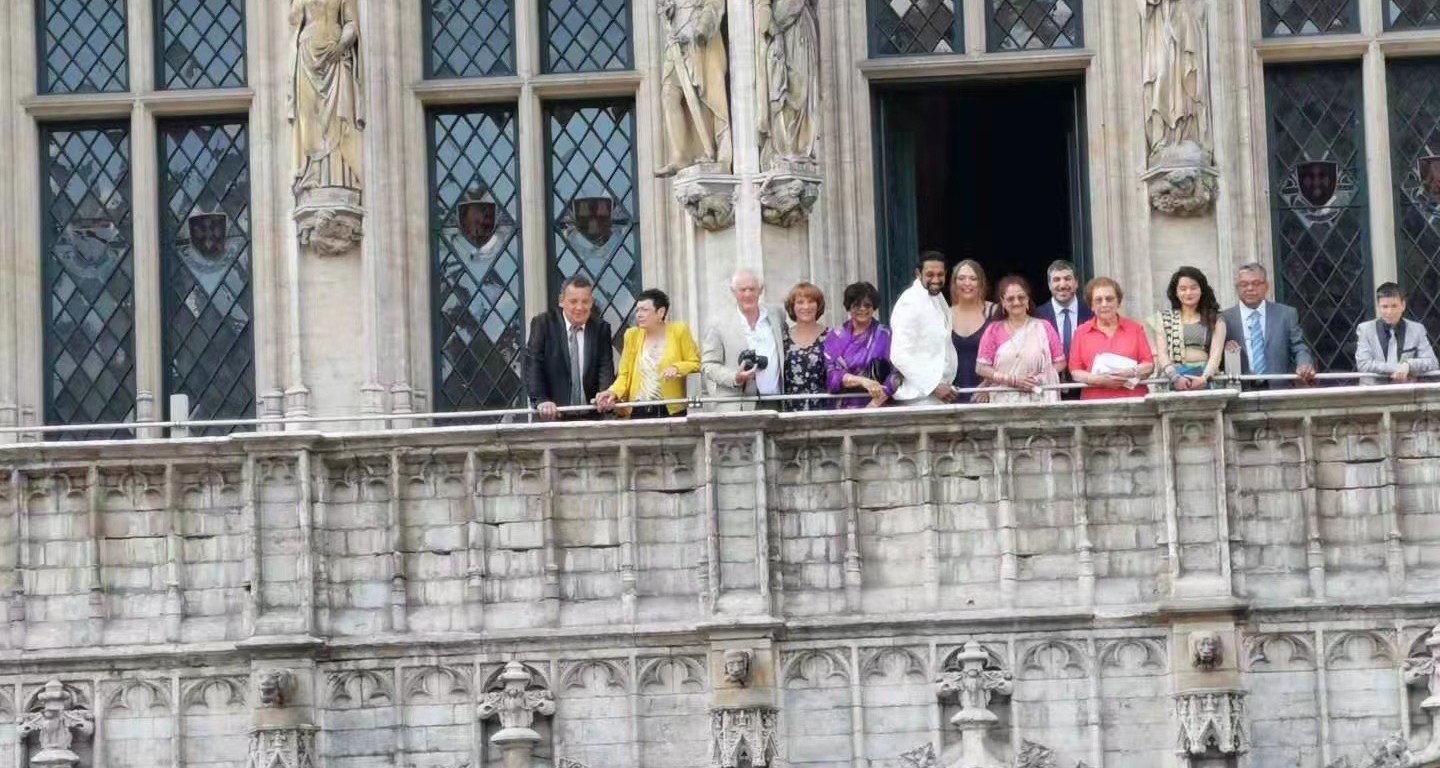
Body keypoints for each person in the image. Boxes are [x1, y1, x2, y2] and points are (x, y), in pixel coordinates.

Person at [596, 289, 701, 418]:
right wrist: (613, 392)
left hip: (670, 410)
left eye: (644, 310)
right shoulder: (632, 335)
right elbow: (624, 375)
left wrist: (677, 368)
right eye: (637, 310)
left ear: (661, 312)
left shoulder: (679, 331)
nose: (639, 315)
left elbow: (696, 363)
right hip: (639, 408)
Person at [523, 276, 615, 421]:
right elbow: (533, 366)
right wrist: (541, 400)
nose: (580, 307)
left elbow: (605, 367)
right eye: (573, 301)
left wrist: (605, 395)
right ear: (561, 301)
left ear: (591, 302)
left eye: (585, 301)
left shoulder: (601, 329)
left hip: (592, 417)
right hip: (552, 417)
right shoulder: (543, 324)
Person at [702, 269, 789, 411]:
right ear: (734, 292)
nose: (748, 294)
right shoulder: (718, 323)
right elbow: (709, 365)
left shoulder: (776, 316)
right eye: (742, 290)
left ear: (760, 290)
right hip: (738, 405)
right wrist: (734, 377)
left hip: (775, 402)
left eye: (752, 289)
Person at [1221, 262, 1316, 387]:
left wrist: (1304, 363)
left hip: (1278, 390)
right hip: (1240, 390)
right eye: (1244, 284)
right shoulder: (1224, 318)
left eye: (1256, 283)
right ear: (1237, 288)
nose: (1250, 288)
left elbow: (1299, 346)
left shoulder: (1286, 314)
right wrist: (1224, 350)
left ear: (1266, 286)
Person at [976, 275, 1066, 404]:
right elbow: (981, 367)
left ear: (1028, 298)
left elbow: (1060, 362)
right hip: (1003, 402)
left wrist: (1037, 379)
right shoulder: (993, 330)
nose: (1016, 302)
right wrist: (1014, 380)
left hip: (1038, 399)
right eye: (1010, 299)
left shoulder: (1043, 327)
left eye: (1021, 297)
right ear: (1003, 301)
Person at [1069, 277, 1155, 400]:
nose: (1104, 304)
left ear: (1118, 302)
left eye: (1109, 299)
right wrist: (1098, 380)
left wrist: (1130, 372)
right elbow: (1075, 372)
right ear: (1091, 305)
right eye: (1098, 300)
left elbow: (1149, 365)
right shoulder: (1081, 332)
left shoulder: (1135, 329)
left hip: (1133, 401)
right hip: (1095, 402)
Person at [890, 252, 959, 405]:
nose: (936, 279)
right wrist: (933, 385)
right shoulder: (909, 302)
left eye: (940, 274)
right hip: (919, 398)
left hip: (940, 394)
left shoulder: (937, 297)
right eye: (930, 274)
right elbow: (899, 355)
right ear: (918, 273)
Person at [1151, 267, 1226, 391]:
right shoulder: (1163, 319)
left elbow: (1216, 354)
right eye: (1183, 289)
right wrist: (1175, 378)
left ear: (1202, 290)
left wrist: (1204, 378)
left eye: (1193, 288)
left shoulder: (1215, 319)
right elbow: (1162, 353)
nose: (1188, 293)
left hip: (1205, 378)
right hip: (1173, 379)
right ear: (1175, 292)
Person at [825, 282, 896, 408]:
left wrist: (873, 405)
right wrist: (862, 381)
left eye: (867, 305)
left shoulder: (886, 335)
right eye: (857, 305)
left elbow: (897, 373)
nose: (862, 309)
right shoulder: (835, 336)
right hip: (841, 409)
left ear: (874, 307)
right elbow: (831, 377)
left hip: (879, 407)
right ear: (849, 307)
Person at [1355, 283, 1439, 383]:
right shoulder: (1365, 329)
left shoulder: (1417, 329)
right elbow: (1363, 364)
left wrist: (1409, 365)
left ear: (1403, 305)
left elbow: (1432, 362)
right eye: (1385, 307)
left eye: (1394, 306)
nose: (1389, 312)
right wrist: (1399, 368)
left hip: (1406, 391)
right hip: (1373, 391)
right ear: (1378, 307)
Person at [1035, 260, 1093, 400]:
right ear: (1049, 285)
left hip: (1088, 387)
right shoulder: (1037, 316)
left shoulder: (1092, 313)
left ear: (1076, 283)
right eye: (1056, 280)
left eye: (1067, 279)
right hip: (1050, 390)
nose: (1062, 285)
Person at [948, 259, 998, 397]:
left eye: (973, 278)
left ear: (981, 283)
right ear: (954, 283)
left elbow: (1008, 355)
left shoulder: (994, 312)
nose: (967, 283)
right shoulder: (945, 315)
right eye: (961, 278)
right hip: (952, 395)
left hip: (989, 394)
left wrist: (988, 385)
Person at [781, 282, 830, 411]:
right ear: (792, 307)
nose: (806, 306)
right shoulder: (782, 338)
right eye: (800, 302)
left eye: (811, 301)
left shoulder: (831, 336)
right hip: (790, 412)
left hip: (824, 410)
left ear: (818, 305)